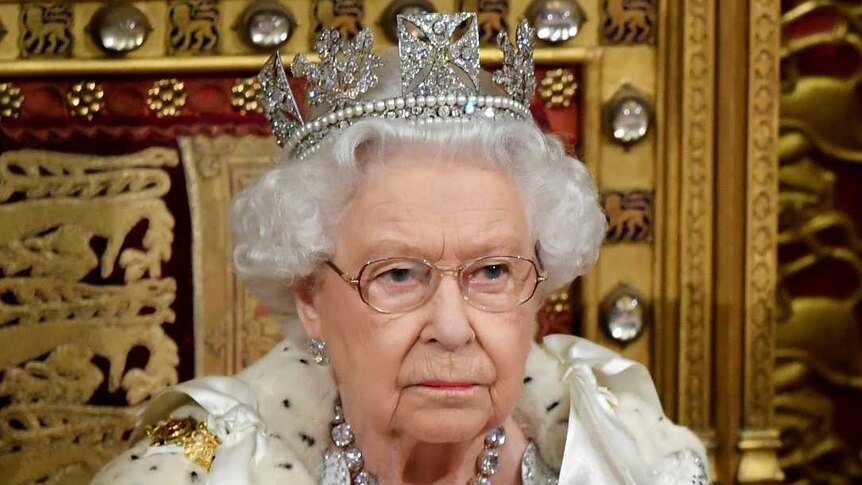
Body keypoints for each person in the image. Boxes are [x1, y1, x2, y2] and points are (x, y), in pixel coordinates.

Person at [91, 13, 709, 485]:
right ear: (311, 297)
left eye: (492, 271)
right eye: (398, 275)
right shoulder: (197, 461)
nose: (451, 328)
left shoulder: (628, 457)